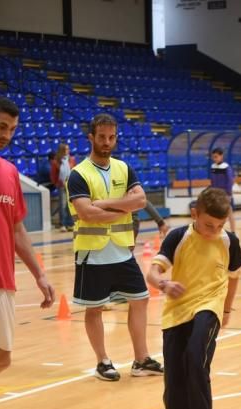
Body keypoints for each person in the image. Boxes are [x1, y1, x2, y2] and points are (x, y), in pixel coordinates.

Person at [146, 188, 241, 409]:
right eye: (208, 224)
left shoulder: (229, 242)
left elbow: (233, 277)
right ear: (194, 214)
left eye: (220, 226)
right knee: (173, 392)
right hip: (176, 314)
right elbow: (152, 273)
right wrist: (164, 284)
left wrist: (225, 309)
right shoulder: (178, 237)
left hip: (209, 307)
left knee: (195, 359)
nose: (214, 231)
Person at [66, 112, 163, 381]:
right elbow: (87, 213)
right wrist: (123, 207)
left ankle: (141, 360)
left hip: (121, 249)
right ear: (91, 138)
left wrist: (104, 204)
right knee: (94, 308)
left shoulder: (123, 168)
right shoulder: (78, 174)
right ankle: (102, 362)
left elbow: (141, 200)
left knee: (141, 299)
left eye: (111, 137)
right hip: (92, 252)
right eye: (102, 137)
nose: (107, 142)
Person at [0, 96, 55, 409]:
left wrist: (39, 272)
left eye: (12, 129)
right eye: (2, 126)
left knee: (2, 358)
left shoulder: (9, 172)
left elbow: (16, 227)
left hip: (4, 279)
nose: (6, 134)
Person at [210, 147, 236, 233]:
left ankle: (233, 231)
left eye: (216, 157)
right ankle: (217, 230)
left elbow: (230, 181)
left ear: (221, 156)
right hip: (216, 194)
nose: (215, 159)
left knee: (229, 212)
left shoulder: (226, 167)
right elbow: (213, 181)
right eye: (213, 157)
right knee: (217, 213)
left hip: (225, 194)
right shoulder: (213, 167)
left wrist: (228, 194)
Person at [51, 142, 75, 231]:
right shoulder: (56, 161)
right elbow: (53, 175)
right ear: (62, 150)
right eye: (66, 149)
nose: (68, 151)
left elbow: (74, 171)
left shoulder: (71, 160)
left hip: (70, 185)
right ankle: (62, 224)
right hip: (61, 185)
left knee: (70, 205)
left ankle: (70, 223)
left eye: (68, 149)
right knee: (62, 205)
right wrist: (57, 183)